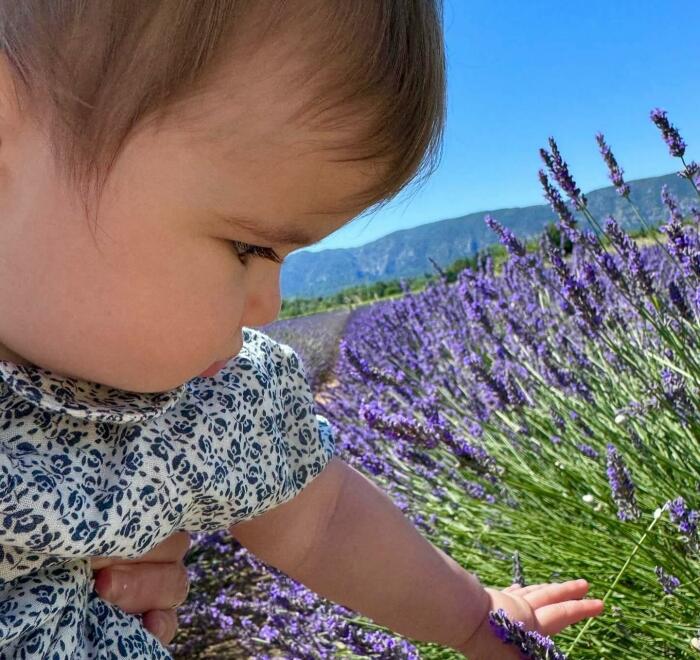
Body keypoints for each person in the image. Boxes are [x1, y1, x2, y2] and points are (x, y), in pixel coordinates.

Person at [0, 1, 604, 658]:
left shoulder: (207, 404)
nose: (269, 306)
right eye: (246, 247)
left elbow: (323, 520)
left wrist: (472, 614)